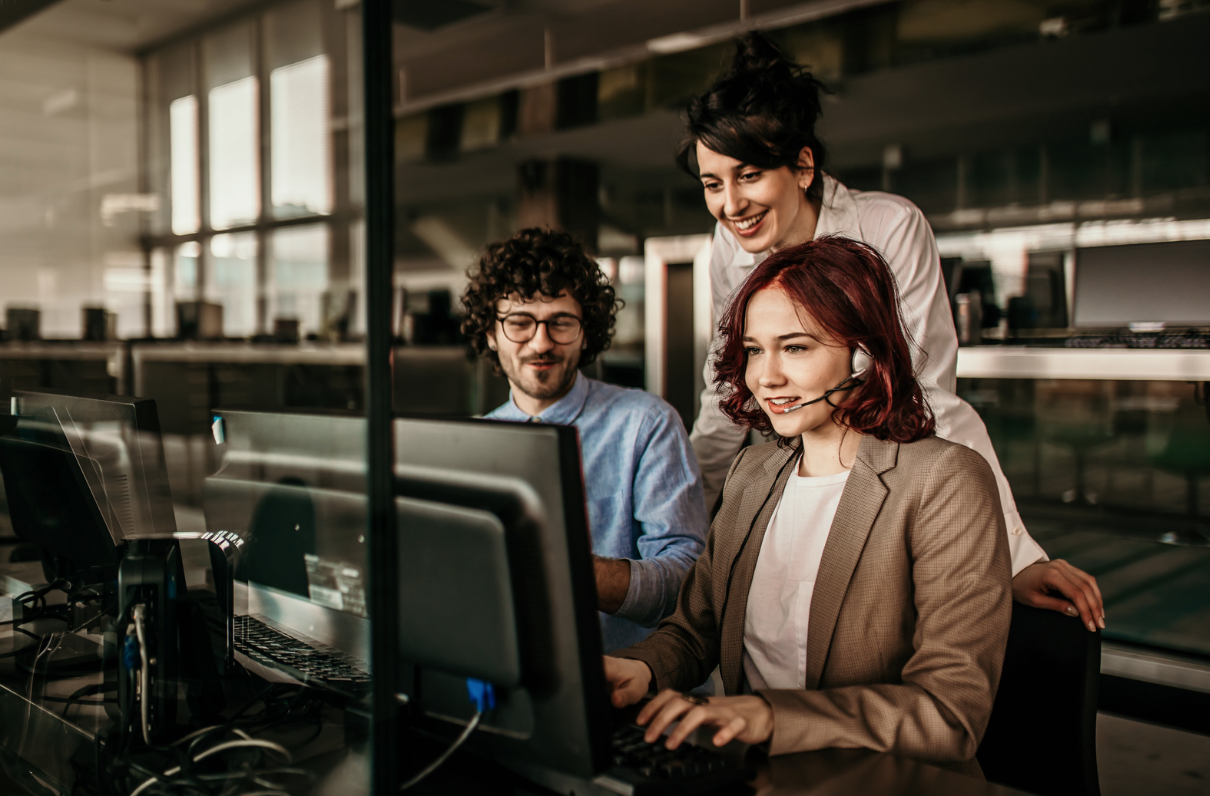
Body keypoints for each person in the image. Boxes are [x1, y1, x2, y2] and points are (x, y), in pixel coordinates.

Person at [682, 32, 1104, 632]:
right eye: (712, 184)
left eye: (748, 176)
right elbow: (726, 391)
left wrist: (1016, 555)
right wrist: (685, 523)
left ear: (803, 167)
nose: (730, 205)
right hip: (791, 475)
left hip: (886, 480)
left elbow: (928, 395)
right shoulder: (731, 246)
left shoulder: (888, 226)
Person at [605, 237, 1012, 776]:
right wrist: (642, 669)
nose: (765, 377)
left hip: (884, 784)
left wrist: (772, 716)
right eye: (754, 350)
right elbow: (696, 629)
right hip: (756, 775)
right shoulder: (753, 473)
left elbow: (949, 713)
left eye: (795, 348)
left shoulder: (944, 480)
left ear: (864, 356)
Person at [460, 227, 708, 653]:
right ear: (490, 333)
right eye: (519, 323)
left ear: (586, 331)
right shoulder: (471, 443)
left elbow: (686, 584)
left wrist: (566, 569)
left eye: (561, 322)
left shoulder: (646, 424)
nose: (541, 342)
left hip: (624, 682)